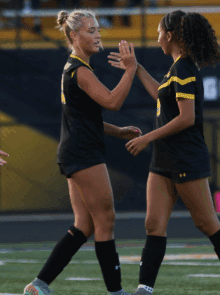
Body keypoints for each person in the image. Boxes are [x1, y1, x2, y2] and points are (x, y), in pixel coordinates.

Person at [108, 10, 220, 295]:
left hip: (186, 157)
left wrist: (147, 138)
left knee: (207, 223)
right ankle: (144, 289)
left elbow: (186, 118)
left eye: (159, 32)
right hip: (164, 159)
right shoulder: (175, 69)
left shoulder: (185, 68)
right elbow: (161, 97)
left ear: (171, 34)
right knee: (154, 225)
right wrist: (136, 68)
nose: (157, 38)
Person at [24, 9, 139, 295]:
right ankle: (116, 292)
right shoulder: (81, 71)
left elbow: (87, 118)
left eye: (98, 29)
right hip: (83, 153)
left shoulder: (74, 67)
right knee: (106, 219)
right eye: (91, 30)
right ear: (74, 36)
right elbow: (112, 101)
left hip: (75, 151)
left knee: (84, 225)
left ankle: (39, 285)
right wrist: (131, 70)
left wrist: (119, 131)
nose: (98, 35)